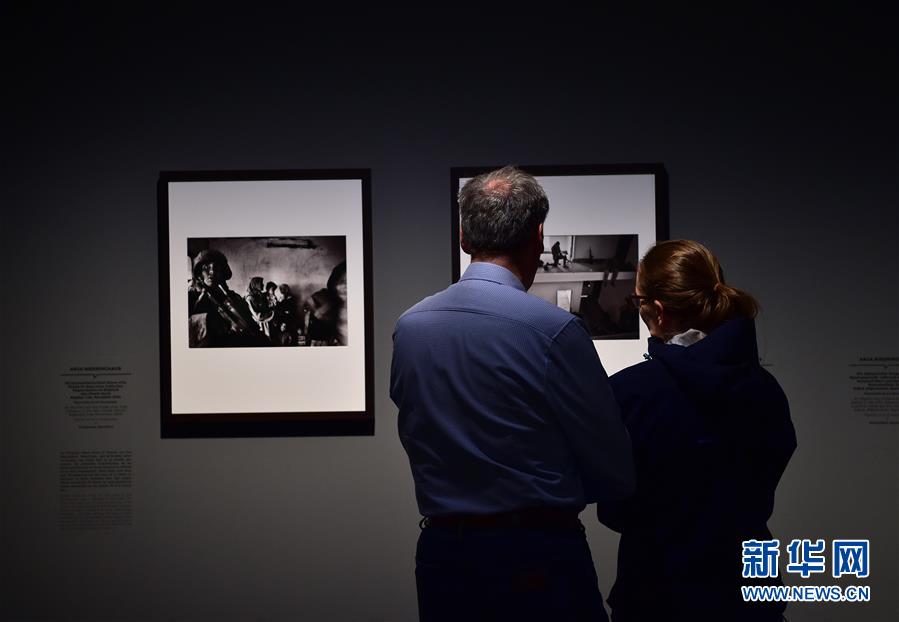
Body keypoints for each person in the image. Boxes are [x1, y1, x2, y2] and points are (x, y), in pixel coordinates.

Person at [390, 166, 635, 622]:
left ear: (464, 237)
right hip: (538, 557)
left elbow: (416, 431)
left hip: (444, 558)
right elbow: (614, 469)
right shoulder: (555, 331)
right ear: (539, 235)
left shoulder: (410, 329)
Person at [598, 239, 796, 622]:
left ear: (655, 309)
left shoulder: (631, 392)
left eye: (636, 299)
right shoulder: (766, 390)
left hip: (657, 591)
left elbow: (615, 507)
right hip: (746, 589)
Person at [188, 249, 265, 347]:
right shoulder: (192, 298)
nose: (212, 271)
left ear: (222, 273)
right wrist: (219, 324)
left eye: (217, 268)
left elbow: (252, 326)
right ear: (200, 273)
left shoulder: (234, 298)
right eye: (206, 267)